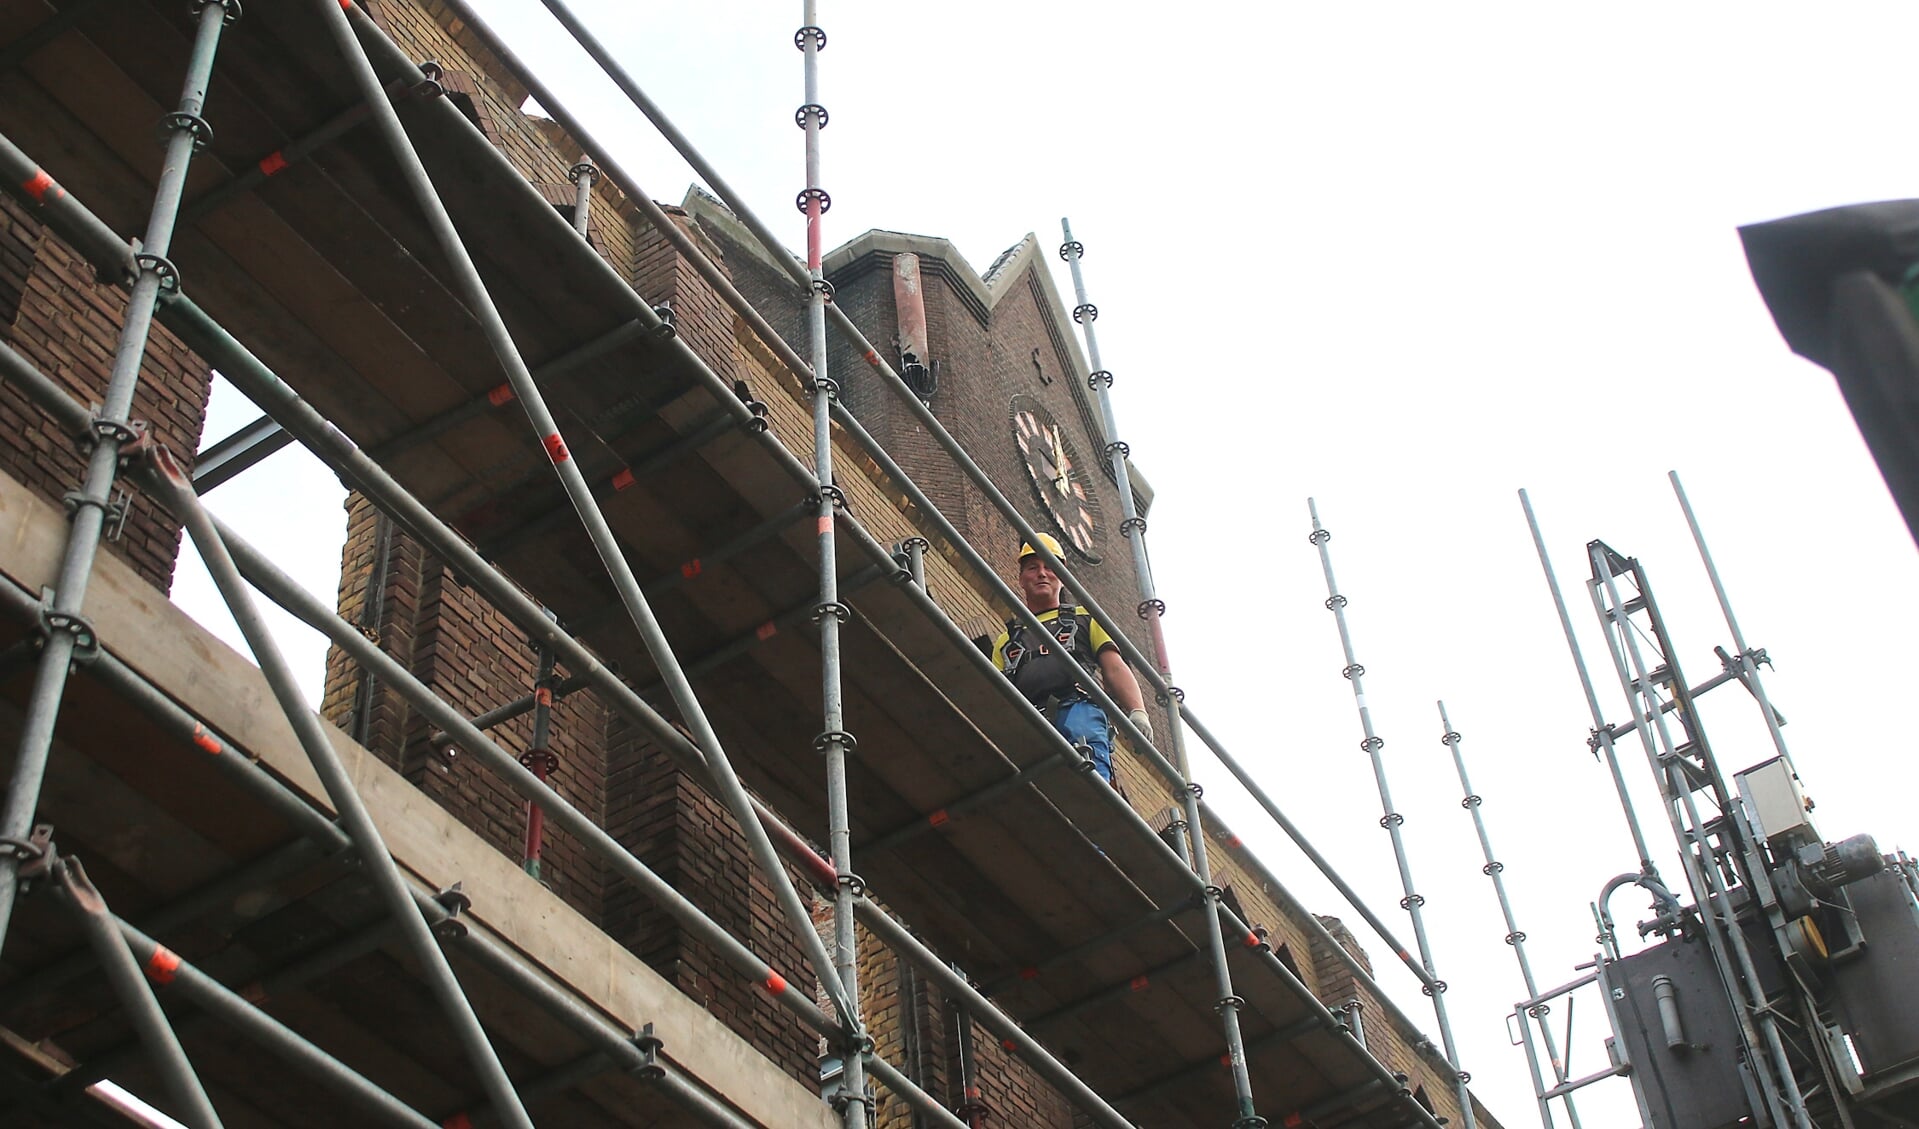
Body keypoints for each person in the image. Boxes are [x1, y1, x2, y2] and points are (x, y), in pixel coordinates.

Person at [990, 533, 1152, 785]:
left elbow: (1114, 667)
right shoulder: (1007, 640)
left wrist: (1138, 712)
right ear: (1021, 579)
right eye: (1033, 568)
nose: (1042, 573)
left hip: (1078, 709)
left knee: (1091, 776)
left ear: (1062, 577)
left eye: (1049, 567)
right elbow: (996, 696)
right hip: (1029, 719)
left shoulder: (1085, 618)